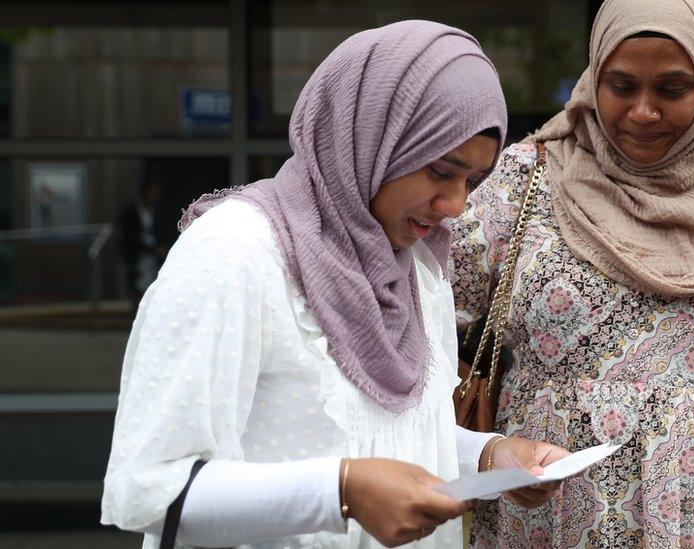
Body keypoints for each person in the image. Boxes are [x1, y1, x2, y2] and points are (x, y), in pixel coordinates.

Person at [102, 20, 567, 549]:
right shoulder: (235, 253)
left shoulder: (416, 265)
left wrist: (490, 456)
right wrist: (341, 490)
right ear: (371, 136)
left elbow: (396, 433)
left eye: (472, 182)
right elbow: (146, 491)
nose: (457, 206)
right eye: (441, 170)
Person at [451, 0, 694, 546]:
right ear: (594, 80)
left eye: (671, 89)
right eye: (621, 86)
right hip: (553, 512)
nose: (642, 111)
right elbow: (424, 313)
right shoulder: (528, 179)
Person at [117, 180, 166, 313]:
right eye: (151, 192)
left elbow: (160, 231)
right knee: (135, 283)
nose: (154, 196)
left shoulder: (156, 212)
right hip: (135, 253)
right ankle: (136, 311)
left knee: (150, 281)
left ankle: (147, 310)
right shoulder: (130, 212)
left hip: (152, 254)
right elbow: (129, 234)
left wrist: (158, 247)